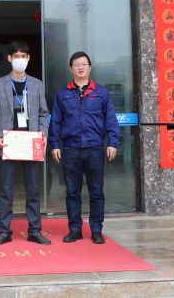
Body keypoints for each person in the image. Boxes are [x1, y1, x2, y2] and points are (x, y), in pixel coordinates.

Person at [49, 52, 119, 245]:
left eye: (83, 64)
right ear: (70, 68)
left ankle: (96, 230)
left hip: (95, 148)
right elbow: (56, 122)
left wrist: (112, 142)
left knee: (96, 191)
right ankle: (75, 229)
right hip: (71, 149)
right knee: (72, 192)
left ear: (89, 67)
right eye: (76, 64)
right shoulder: (62, 94)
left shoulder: (101, 92)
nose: (80, 67)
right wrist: (54, 144)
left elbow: (110, 119)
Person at [0, 40, 51, 246]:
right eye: (16, 56)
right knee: (5, 190)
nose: (20, 60)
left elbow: (43, 113)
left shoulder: (36, 84)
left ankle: (35, 230)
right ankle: (4, 231)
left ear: (29, 58)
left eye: (23, 56)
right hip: (8, 143)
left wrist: (42, 135)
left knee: (33, 190)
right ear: (9, 59)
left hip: (31, 142)